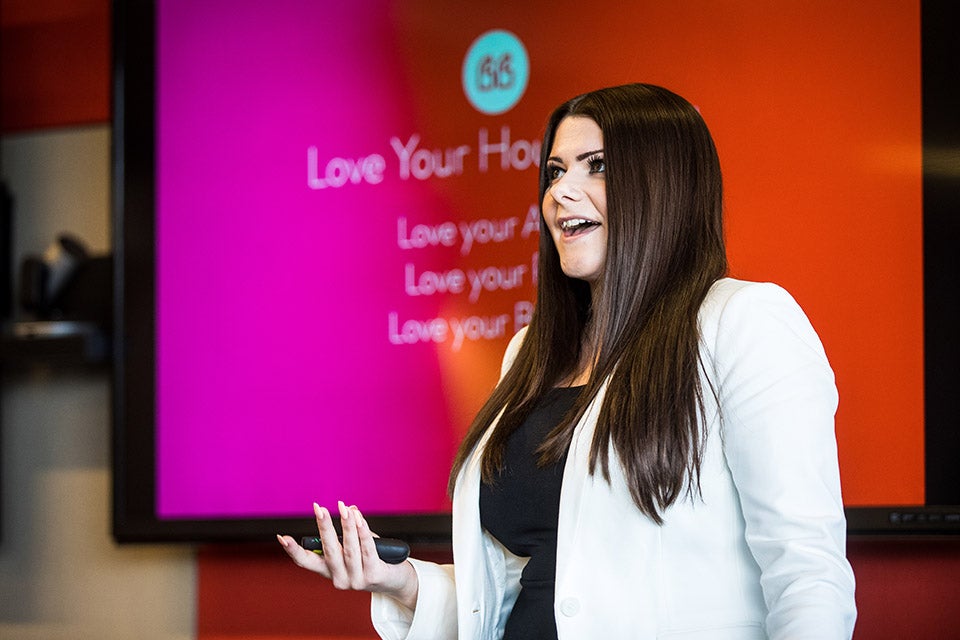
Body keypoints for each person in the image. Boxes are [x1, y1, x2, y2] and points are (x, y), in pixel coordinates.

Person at [277, 83, 857, 639]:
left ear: (665, 187)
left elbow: (804, 569)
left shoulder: (744, 321)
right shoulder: (529, 352)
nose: (560, 193)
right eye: (556, 171)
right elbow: (526, 583)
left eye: (596, 166)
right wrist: (398, 581)